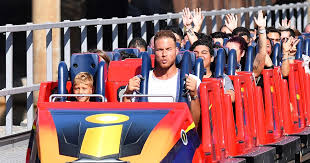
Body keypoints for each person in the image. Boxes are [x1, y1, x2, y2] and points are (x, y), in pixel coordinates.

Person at [123, 30, 201, 126]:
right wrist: (127, 94)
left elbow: (196, 125)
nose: (164, 54)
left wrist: (194, 95)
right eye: (160, 50)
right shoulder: (139, 81)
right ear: (154, 52)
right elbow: (129, 122)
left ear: (176, 51)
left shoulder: (191, 81)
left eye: (168, 49)